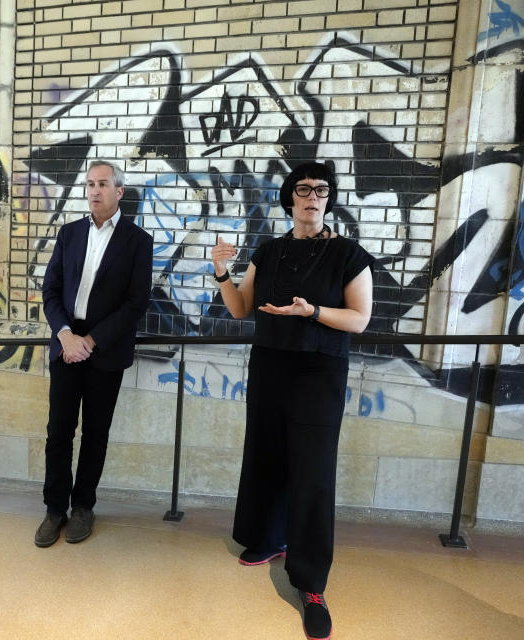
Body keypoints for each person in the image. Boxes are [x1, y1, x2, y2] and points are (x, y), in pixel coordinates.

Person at [210, 161, 374, 640]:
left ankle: (311, 584)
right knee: (266, 457)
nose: (313, 197)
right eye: (304, 189)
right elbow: (240, 308)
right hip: (270, 366)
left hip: (319, 372)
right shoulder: (270, 250)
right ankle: (267, 539)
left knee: (313, 474)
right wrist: (222, 270)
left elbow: (360, 319)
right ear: (290, 198)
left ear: (329, 198)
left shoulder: (348, 253)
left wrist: (314, 311)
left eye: (322, 190)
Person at [36, 160, 153, 548]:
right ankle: (55, 510)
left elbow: (136, 302)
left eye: (102, 184)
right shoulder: (69, 234)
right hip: (67, 346)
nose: (93, 191)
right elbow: (50, 291)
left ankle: (83, 506)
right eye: (89, 184)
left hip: (105, 349)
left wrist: (92, 340)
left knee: (95, 434)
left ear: (119, 192)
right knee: (58, 433)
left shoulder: (138, 241)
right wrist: (67, 335)